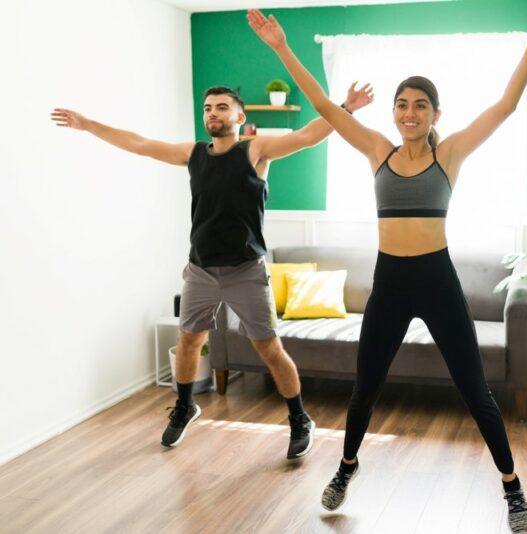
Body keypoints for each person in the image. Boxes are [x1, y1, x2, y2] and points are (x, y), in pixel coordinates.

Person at [246, 1, 527, 531]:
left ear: (436, 113)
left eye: (420, 106)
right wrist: (281, 47)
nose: (409, 113)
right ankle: (346, 467)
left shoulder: (450, 155)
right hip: (389, 282)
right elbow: (323, 101)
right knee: (366, 386)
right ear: (393, 112)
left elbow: (505, 105)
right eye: (401, 105)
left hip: (437, 279)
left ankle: (512, 489)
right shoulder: (376, 151)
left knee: (475, 390)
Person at [50, 83, 374, 458]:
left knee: (269, 350)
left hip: (246, 271)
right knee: (189, 341)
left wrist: (346, 108)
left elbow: (306, 136)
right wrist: (88, 124)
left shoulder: (255, 150)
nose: (212, 114)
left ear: (240, 116)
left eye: (221, 107)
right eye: (207, 108)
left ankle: (300, 419)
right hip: (200, 269)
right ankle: (186, 406)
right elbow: (138, 143)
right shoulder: (193, 154)